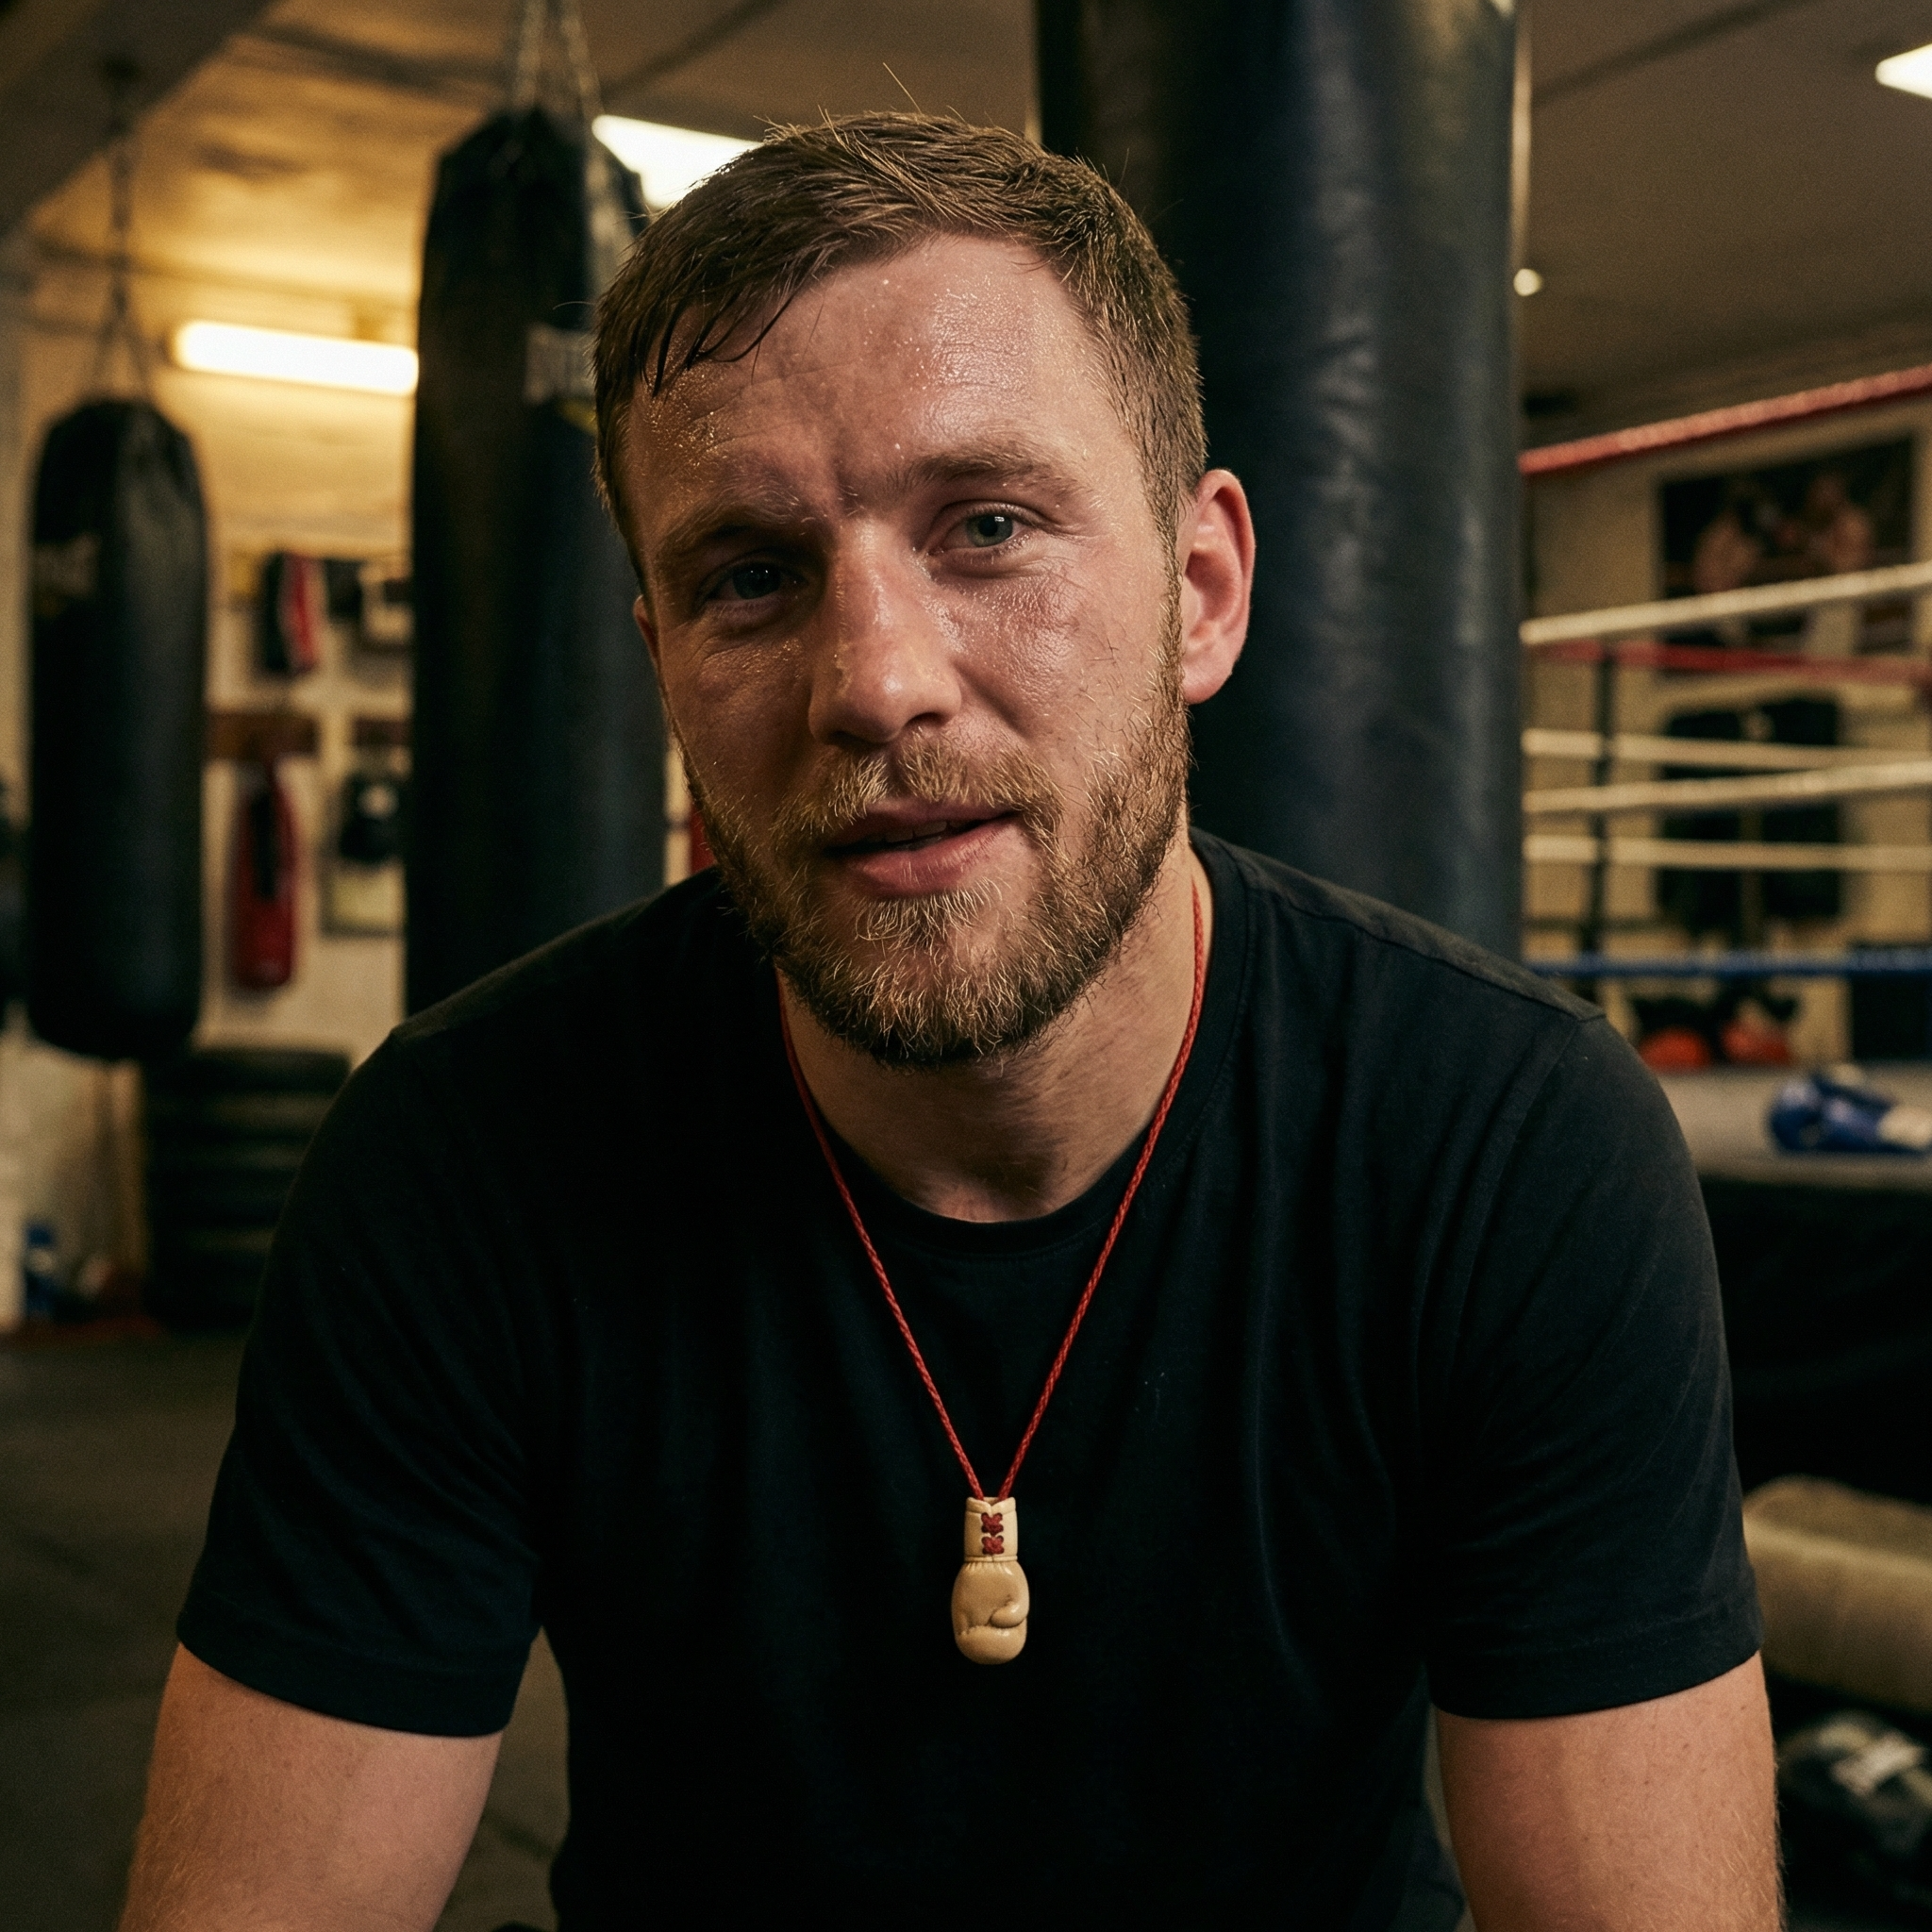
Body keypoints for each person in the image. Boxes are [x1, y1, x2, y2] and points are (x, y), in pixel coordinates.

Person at [121, 115, 1777, 1930]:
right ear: (660, 656)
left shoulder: (1508, 1148)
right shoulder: (464, 1159)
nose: (879, 683)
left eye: (988, 527)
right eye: (749, 573)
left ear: (1203, 590)